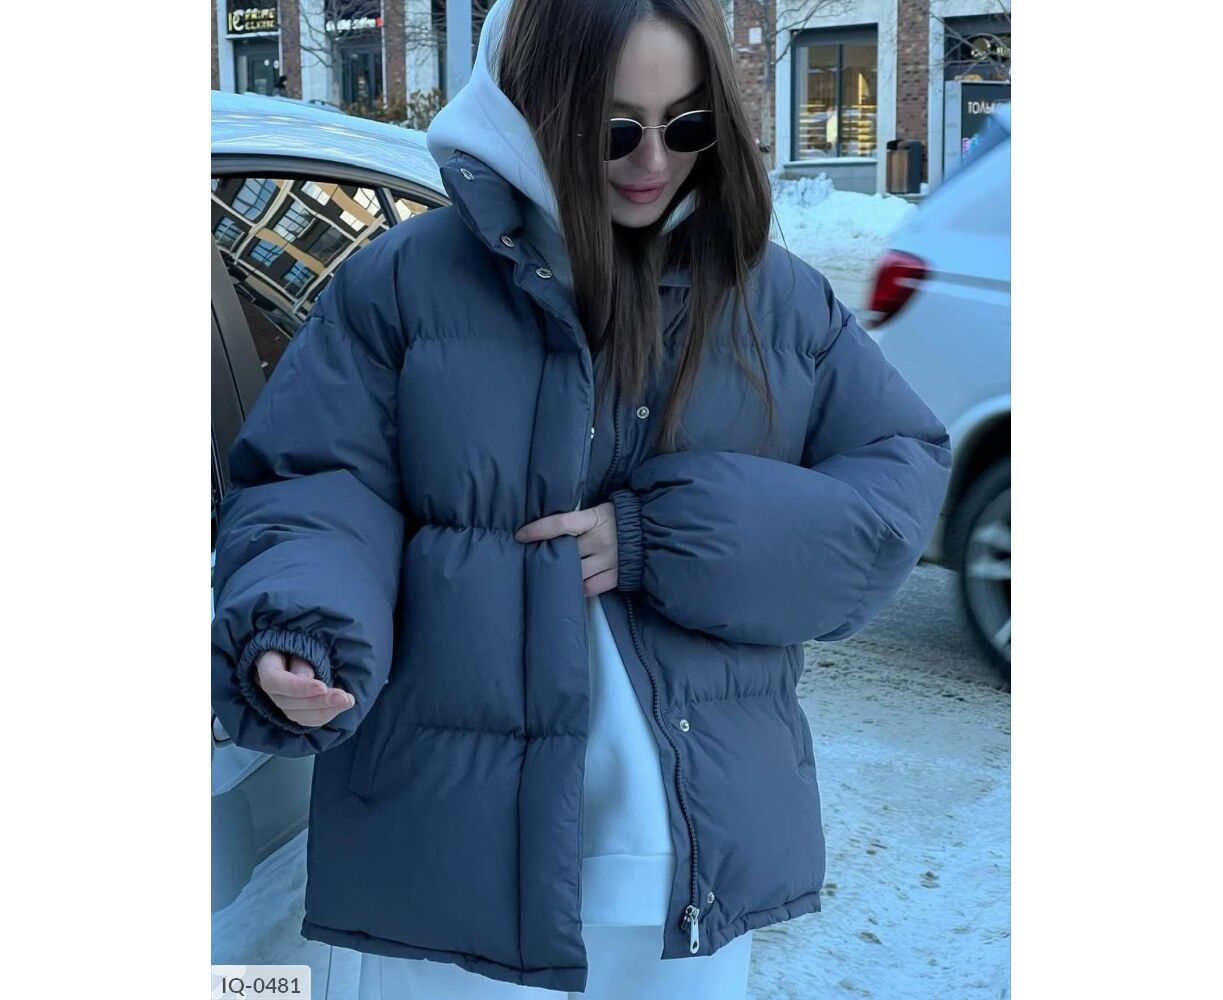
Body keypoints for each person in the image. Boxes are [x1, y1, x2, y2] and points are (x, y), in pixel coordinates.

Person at [210, 0, 953, 997]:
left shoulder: (775, 299)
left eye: (686, 125)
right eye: (613, 129)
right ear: (530, 115)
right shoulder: (399, 285)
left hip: (685, 862)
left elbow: (894, 484)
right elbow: (319, 481)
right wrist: (301, 623)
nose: (653, 160)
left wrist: (667, 534)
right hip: (447, 853)